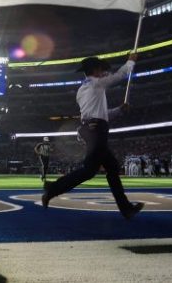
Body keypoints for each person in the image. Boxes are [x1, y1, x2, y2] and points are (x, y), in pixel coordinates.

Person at [42, 54, 144, 220]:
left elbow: (101, 114)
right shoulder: (96, 84)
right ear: (96, 70)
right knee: (90, 170)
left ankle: (126, 209)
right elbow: (120, 75)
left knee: (111, 167)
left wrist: (119, 110)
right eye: (102, 69)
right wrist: (131, 60)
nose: (104, 72)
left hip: (91, 128)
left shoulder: (84, 89)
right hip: (96, 130)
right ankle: (52, 189)